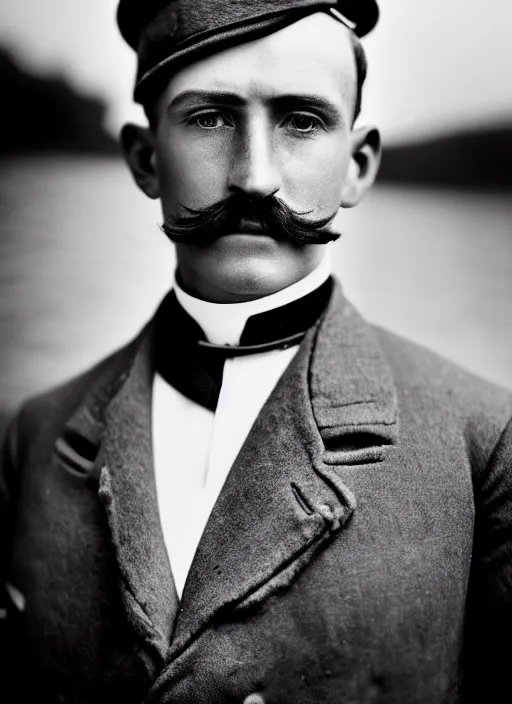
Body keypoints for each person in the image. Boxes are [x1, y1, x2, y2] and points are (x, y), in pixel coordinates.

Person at [1, 1, 512, 702]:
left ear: (358, 165)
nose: (255, 177)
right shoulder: (35, 435)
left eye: (302, 121)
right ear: (146, 159)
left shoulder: (484, 445)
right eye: (209, 118)